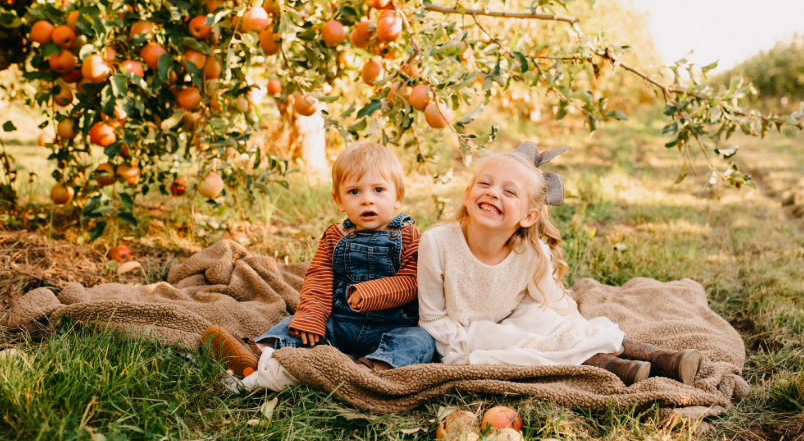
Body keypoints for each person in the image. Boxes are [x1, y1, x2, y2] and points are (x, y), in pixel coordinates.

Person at [416, 142, 702, 386]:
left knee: (552, 324)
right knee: (524, 347)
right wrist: (456, 353)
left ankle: (652, 354)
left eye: (509, 192)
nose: (493, 193)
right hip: (467, 331)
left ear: (529, 216)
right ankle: (609, 365)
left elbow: (551, 299)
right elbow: (432, 318)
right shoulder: (437, 243)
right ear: (468, 195)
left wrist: (579, 328)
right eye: (485, 183)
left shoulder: (531, 251)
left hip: (517, 313)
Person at [203, 142, 435, 390]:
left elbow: (413, 281)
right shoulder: (335, 236)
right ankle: (256, 353)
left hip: (389, 330)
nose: (367, 200)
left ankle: (370, 369)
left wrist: (372, 292)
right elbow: (317, 278)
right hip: (339, 323)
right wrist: (312, 315)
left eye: (379, 190)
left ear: (397, 197)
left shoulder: (410, 236)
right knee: (296, 323)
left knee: (421, 341)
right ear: (339, 200)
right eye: (354, 192)